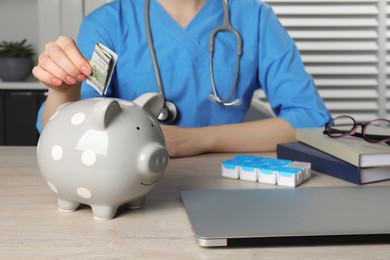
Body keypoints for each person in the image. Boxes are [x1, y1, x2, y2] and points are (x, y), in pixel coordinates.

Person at [33, 0, 330, 158]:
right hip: (129, 181)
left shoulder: (254, 17)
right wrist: (63, 91)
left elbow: (310, 120)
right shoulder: (108, 23)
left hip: (227, 180)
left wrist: (197, 140)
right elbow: (69, 132)